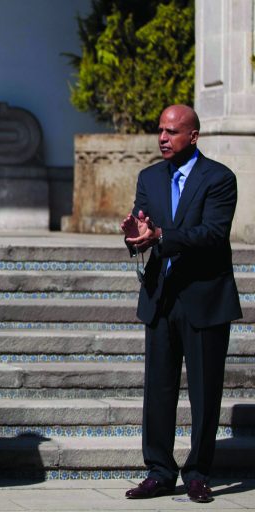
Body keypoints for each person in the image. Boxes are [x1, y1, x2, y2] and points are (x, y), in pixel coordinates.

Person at [120, 105, 241, 504]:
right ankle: (159, 470)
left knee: (205, 394)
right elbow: (144, 230)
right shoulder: (149, 177)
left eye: (172, 131)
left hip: (205, 299)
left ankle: (198, 473)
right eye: (160, 130)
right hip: (161, 297)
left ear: (194, 136)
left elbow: (212, 234)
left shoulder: (219, 178)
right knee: (158, 390)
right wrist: (136, 237)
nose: (163, 138)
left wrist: (159, 236)